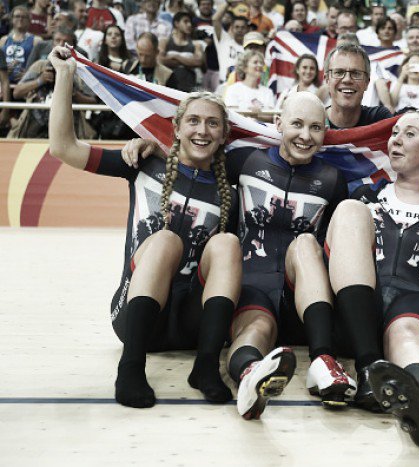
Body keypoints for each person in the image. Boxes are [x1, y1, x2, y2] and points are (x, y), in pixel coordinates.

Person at [122, 92, 358, 419]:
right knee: (254, 330)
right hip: (251, 291)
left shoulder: (334, 180)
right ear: (278, 124)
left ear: (325, 132)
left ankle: (324, 361)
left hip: (304, 298)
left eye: (316, 127)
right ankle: (249, 375)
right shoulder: (246, 161)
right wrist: (153, 146)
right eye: (297, 124)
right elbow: (198, 156)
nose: (305, 135)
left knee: (306, 243)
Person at [48, 45, 241, 409]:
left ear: (223, 134)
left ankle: (205, 367)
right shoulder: (141, 162)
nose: (203, 130)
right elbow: (62, 147)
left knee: (227, 243)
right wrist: (64, 77)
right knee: (166, 240)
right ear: (177, 129)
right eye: (194, 121)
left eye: (213, 123)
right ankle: (131, 368)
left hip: (192, 323)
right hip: (137, 320)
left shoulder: (232, 186)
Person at [329, 111, 419, 450]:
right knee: (346, 208)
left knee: (406, 339)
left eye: (409, 133)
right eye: (394, 133)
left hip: (414, 303)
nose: (396, 139)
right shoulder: (363, 197)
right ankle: (369, 368)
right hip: (360, 303)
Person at [324, 43, 392, 129]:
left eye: (356, 73)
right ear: (327, 80)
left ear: (367, 82)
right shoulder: (313, 122)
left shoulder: (379, 119)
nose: (347, 79)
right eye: (339, 72)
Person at [221, 50, 275, 119]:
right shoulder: (233, 89)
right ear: (244, 67)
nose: (260, 65)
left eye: (261, 63)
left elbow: (271, 117)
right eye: (255, 62)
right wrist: (254, 114)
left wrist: (256, 114)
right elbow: (231, 115)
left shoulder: (268, 92)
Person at [159, 11, 204, 92]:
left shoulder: (196, 44)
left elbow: (198, 62)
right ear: (176, 23)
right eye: (186, 21)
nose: (189, 25)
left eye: (190, 22)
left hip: (188, 86)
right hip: (167, 86)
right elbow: (160, 60)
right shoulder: (165, 41)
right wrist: (188, 63)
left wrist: (175, 56)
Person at [0, 6, 42, 85]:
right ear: (12, 19)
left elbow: (41, 64)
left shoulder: (37, 40)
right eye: (17, 16)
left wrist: (30, 74)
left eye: (24, 17)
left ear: (29, 20)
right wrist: (3, 70)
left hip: (26, 83)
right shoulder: (3, 40)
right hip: (5, 83)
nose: (20, 19)